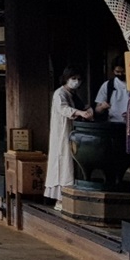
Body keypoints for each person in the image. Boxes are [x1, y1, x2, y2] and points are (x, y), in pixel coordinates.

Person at [44, 67, 94, 211]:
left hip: (72, 133)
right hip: (62, 133)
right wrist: (80, 113)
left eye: (79, 79)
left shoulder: (73, 94)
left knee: (71, 163)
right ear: (66, 78)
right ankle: (61, 198)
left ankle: (69, 196)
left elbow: (82, 107)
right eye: (73, 79)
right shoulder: (60, 93)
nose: (76, 82)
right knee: (63, 163)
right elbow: (64, 109)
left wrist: (89, 110)